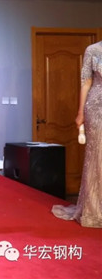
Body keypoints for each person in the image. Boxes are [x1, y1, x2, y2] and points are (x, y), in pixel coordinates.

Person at [52, 40, 102, 228]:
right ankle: (94, 210)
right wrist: (80, 112)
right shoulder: (93, 50)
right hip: (97, 108)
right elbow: (86, 81)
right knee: (97, 157)